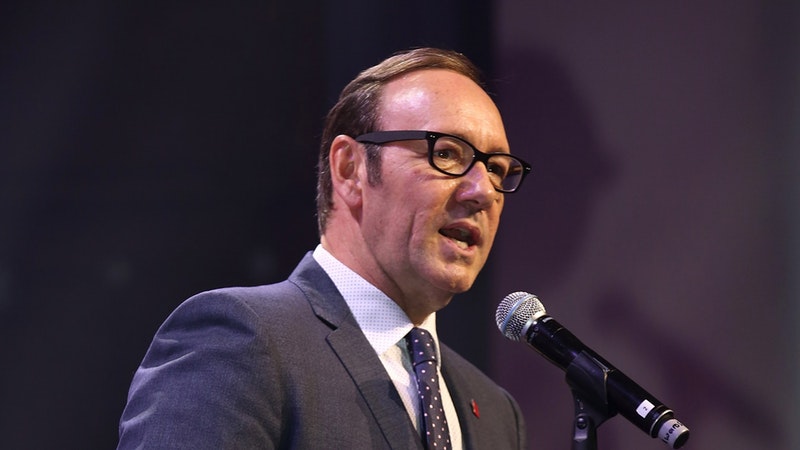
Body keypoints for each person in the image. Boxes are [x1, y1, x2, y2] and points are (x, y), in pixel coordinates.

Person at [118, 47, 531, 449]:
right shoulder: (239, 342)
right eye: (447, 153)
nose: (484, 192)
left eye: (497, 169)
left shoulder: (498, 414)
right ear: (350, 169)